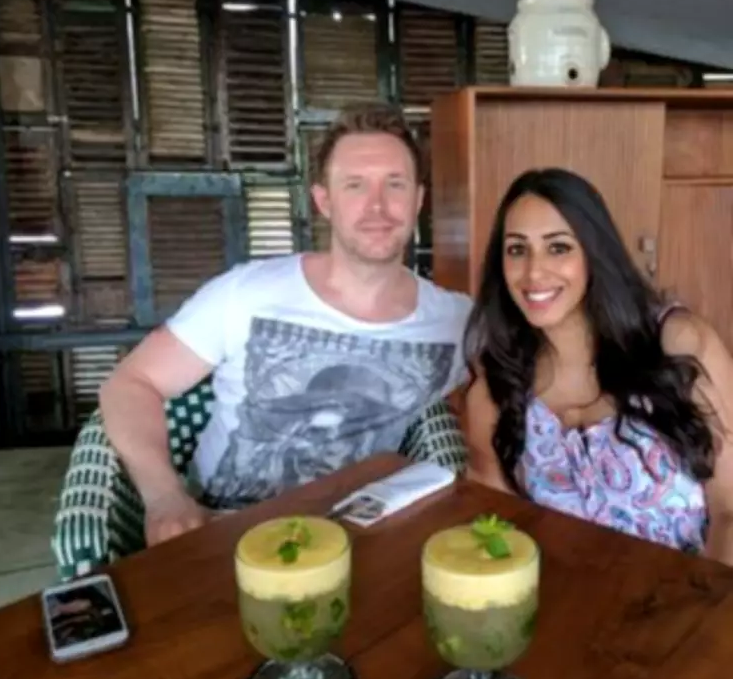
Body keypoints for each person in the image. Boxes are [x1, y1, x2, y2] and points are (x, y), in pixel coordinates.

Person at [100, 102, 473, 548]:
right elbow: (131, 382)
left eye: (395, 184)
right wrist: (165, 497)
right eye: (355, 185)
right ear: (324, 201)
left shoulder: (455, 322)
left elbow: (524, 375)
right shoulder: (246, 294)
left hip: (358, 539)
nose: (377, 206)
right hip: (223, 530)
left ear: (418, 199)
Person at [461, 167, 733, 564]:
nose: (534, 272)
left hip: (691, 594)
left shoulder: (678, 344)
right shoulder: (496, 391)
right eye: (517, 249)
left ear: (594, 252)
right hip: (563, 597)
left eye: (558, 247)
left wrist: (713, 599)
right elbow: (496, 529)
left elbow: (729, 508)